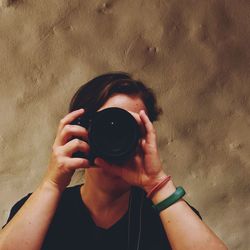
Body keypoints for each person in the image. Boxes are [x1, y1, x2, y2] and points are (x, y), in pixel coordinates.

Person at [0, 72, 227, 250]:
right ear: (80, 130)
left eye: (128, 128)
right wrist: (52, 182)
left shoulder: (170, 219)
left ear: (144, 136)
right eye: (107, 126)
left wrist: (157, 184)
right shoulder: (43, 210)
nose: (115, 138)